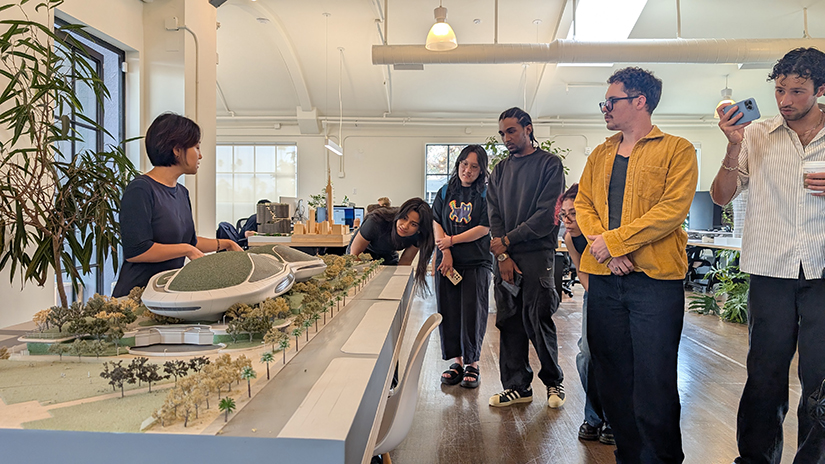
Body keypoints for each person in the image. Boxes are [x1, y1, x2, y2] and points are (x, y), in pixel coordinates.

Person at [575, 67, 698, 463]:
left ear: (640, 101)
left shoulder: (678, 150)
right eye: (605, 102)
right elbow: (583, 205)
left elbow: (671, 211)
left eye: (611, 101)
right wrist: (608, 252)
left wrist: (612, 243)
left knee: (655, 379)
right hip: (605, 281)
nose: (605, 109)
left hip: (655, 283)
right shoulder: (600, 153)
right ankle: (628, 456)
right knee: (612, 376)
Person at [711, 47, 825, 464]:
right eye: (780, 90)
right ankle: (755, 459)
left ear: (821, 89)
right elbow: (721, 196)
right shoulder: (755, 133)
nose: (785, 100)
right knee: (764, 377)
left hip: (823, 273)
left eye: (797, 91)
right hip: (771, 271)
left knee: (821, 380)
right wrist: (731, 147)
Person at [486, 107, 566, 409]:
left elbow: (548, 215)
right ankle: (517, 386)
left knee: (538, 318)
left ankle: (554, 382)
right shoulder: (499, 171)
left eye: (512, 131)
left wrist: (508, 240)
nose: (506, 138)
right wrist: (503, 252)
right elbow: (494, 216)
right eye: (503, 133)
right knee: (509, 320)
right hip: (505, 257)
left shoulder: (549, 165)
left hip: (537, 255)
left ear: (528, 129)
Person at [113, 113, 242, 298]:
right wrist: (186, 250)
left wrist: (226, 243)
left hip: (165, 294)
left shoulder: (182, 192)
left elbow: (191, 242)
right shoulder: (140, 189)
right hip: (135, 297)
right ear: (177, 150)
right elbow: (136, 250)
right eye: (196, 147)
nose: (201, 155)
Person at [557, 184, 614, 446]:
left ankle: (614, 420)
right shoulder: (570, 238)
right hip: (595, 294)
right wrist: (595, 294)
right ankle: (593, 417)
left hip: (618, 295)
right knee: (587, 355)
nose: (567, 221)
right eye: (564, 215)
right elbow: (580, 269)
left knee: (614, 357)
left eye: (573, 214)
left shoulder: (602, 234)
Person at [432, 145, 492, 389]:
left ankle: (473, 364)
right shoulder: (445, 191)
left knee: (473, 315)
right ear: (458, 165)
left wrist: (452, 241)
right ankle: (457, 362)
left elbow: (484, 228)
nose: (468, 170)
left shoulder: (486, 195)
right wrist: (445, 250)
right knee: (450, 311)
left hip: (475, 263)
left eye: (474, 166)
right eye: (464, 164)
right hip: (447, 263)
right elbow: (436, 220)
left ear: (481, 170)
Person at [348, 197, 435, 293]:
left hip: (387, 252)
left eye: (413, 224)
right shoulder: (376, 221)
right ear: (399, 214)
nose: (405, 226)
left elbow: (405, 262)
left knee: (390, 285)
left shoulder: (418, 236)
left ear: (419, 229)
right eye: (404, 218)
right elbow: (355, 253)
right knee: (362, 287)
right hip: (362, 251)